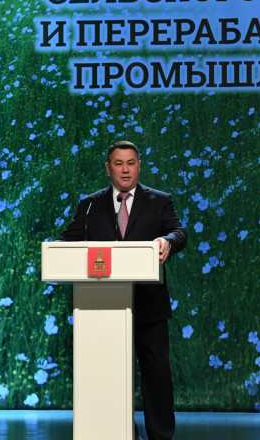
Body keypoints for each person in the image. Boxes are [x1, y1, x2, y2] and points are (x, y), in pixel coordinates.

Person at [59, 140, 187, 440]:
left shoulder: (159, 201)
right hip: (102, 307)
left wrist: (167, 241)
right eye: (119, 163)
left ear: (139, 166)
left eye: (131, 163)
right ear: (108, 168)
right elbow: (67, 242)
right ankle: (118, 431)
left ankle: (160, 435)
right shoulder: (90, 205)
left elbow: (179, 232)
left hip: (149, 305)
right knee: (109, 376)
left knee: (156, 374)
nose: (125, 169)